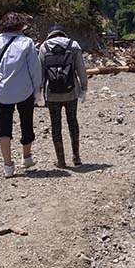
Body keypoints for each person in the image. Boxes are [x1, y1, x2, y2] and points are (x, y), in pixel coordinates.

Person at [0, 12, 42, 178]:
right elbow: (35, 69)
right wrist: (37, 89)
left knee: (4, 128)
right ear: (20, 26)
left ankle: (8, 167)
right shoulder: (27, 43)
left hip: (2, 91)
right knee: (26, 123)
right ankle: (26, 158)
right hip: (24, 89)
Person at [38, 25, 88, 168]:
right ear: (63, 34)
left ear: (50, 35)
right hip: (71, 91)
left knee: (56, 124)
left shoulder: (44, 47)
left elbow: (40, 72)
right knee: (72, 121)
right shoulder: (74, 45)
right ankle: (76, 157)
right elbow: (81, 70)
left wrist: (38, 92)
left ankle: (61, 161)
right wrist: (84, 88)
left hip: (52, 93)